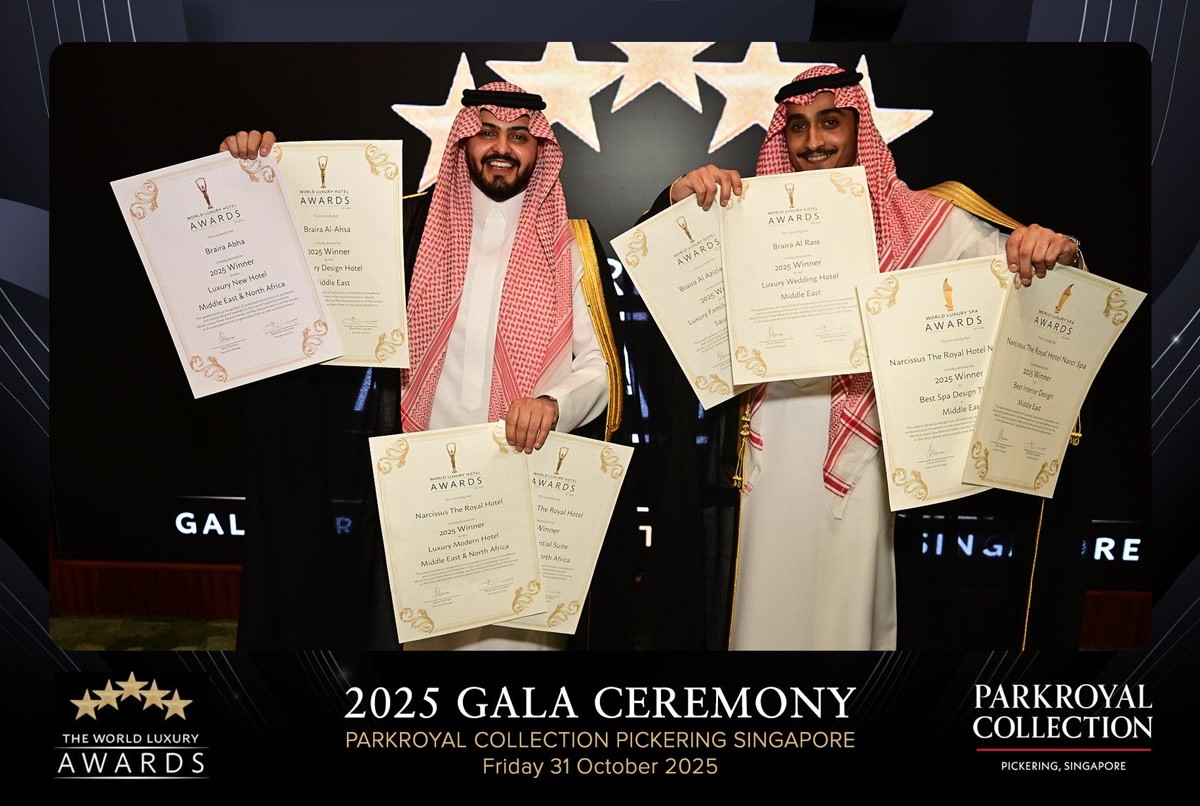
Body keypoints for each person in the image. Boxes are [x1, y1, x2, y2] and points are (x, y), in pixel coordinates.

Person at [647, 65, 1081, 650]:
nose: (813, 141)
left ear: (859, 128)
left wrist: (1054, 251)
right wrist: (677, 198)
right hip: (766, 452)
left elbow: (1013, 275)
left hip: (868, 459)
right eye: (797, 127)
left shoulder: (924, 222)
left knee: (848, 617)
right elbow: (667, 270)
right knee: (759, 612)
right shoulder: (747, 213)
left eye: (830, 122)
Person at [222, 83, 622, 650]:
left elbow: (601, 368)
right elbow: (306, 252)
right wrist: (250, 176)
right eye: (486, 132)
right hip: (420, 485)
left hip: (528, 480)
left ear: (540, 149)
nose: (501, 148)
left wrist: (554, 404)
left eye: (519, 136)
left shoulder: (573, 243)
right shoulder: (407, 228)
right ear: (463, 143)